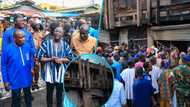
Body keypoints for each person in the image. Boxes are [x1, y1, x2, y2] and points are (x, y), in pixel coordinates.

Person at [37, 27, 73, 107]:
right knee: (49, 93)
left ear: (62, 34)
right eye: (56, 31)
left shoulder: (65, 45)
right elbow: (39, 57)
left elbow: (70, 58)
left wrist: (61, 60)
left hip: (61, 73)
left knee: (59, 94)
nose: (58, 33)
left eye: (60, 32)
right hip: (49, 73)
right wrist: (51, 59)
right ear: (53, 32)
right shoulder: (46, 43)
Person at [1, 30, 34, 107]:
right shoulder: (7, 49)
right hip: (14, 78)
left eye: (24, 37)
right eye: (21, 37)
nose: (24, 39)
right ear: (14, 38)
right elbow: (3, 66)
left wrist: (32, 67)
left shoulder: (27, 46)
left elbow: (31, 57)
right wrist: (5, 81)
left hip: (26, 77)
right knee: (16, 100)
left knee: (28, 98)